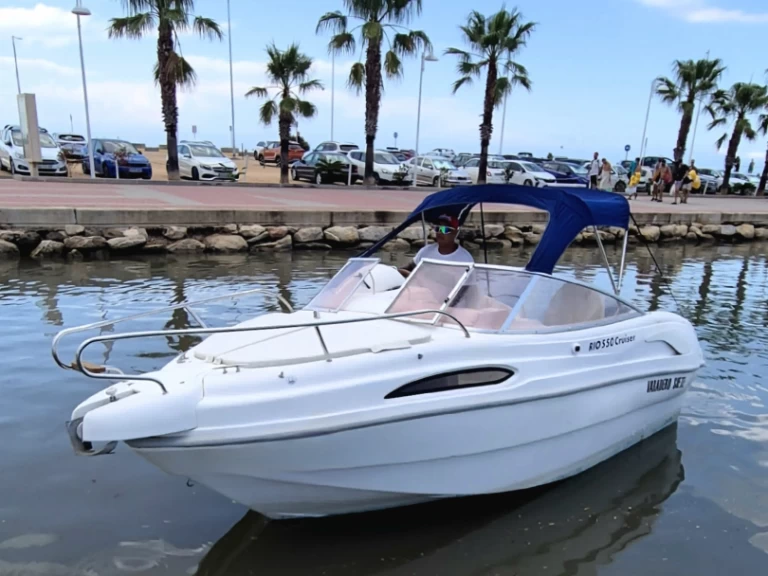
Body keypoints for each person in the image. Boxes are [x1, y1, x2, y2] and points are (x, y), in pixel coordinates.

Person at [398, 214, 473, 277]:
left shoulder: (465, 259)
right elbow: (410, 267)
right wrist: (393, 270)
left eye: (444, 229)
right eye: (437, 229)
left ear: (455, 232)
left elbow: (469, 289)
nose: (440, 233)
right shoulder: (426, 251)